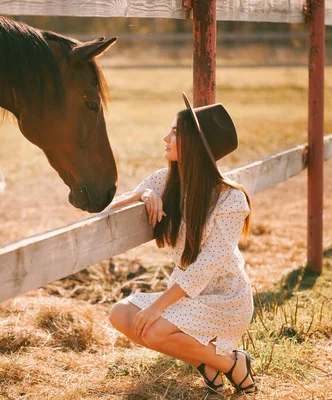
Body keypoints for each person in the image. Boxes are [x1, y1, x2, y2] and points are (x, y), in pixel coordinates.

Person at [106, 93, 258, 394]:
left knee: (152, 329)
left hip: (225, 298)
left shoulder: (231, 199)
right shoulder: (165, 179)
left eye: (175, 132)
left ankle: (232, 363)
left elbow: (206, 266)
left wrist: (157, 306)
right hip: (187, 296)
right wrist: (144, 195)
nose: (166, 137)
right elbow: (110, 208)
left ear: (194, 144)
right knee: (120, 315)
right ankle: (204, 359)